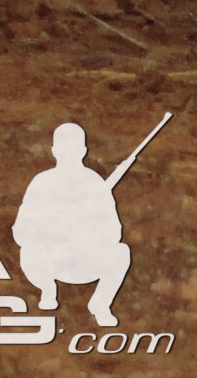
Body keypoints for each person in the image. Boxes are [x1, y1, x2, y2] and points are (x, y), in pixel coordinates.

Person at [12, 122, 133, 328]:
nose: (68, 153)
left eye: (73, 148)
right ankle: (48, 289)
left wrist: (88, 229)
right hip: (49, 260)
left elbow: (114, 231)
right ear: (54, 151)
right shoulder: (42, 182)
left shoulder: (95, 184)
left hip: (85, 259)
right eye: (63, 148)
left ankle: (100, 304)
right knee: (29, 251)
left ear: (83, 151)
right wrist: (50, 230)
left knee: (121, 253)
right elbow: (21, 230)